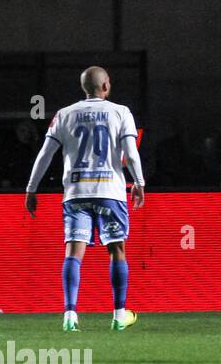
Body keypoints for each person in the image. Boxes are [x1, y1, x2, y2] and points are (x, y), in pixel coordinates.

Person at [24, 66, 145, 331]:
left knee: (73, 252)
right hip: (110, 191)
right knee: (116, 250)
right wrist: (139, 182)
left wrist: (31, 188)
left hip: (76, 192)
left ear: (84, 88)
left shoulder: (64, 114)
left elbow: (45, 155)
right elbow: (131, 153)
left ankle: (70, 316)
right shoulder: (121, 112)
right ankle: (119, 314)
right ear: (105, 86)